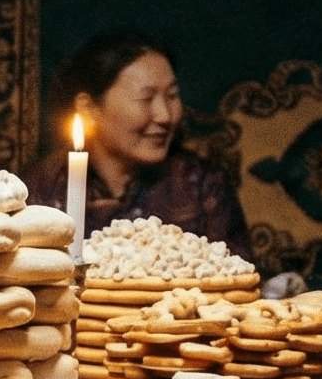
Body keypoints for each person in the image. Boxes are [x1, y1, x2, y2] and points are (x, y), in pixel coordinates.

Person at [20, 31, 251, 257]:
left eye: (171, 96)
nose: (165, 116)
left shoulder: (202, 187)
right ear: (89, 108)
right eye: (146, 98)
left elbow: (238, 282)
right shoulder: (42, 191)